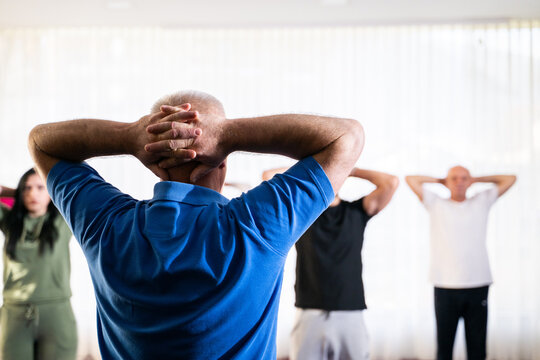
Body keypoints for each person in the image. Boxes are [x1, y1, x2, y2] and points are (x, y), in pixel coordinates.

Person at [28, 90, 365, 359]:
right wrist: (229, 133)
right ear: (222, 162)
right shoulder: (258, 225)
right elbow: (346, 138)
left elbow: (42, 143)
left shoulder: (105, 224)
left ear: (153, 163)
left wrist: (131, 136)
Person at [264, 167, 398, 359]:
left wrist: (349, 169)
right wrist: (318, 165)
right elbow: (268, 176)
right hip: (309, 312)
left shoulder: (357, 211)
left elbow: (391, 182)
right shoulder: (303, 214)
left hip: (350, 312)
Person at [405, 166, 516, 360]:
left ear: (470, 180)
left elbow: (510, 178)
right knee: (444, 348)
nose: (459, 182)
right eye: (454, 178)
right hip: (444, 286)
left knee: (477, 349)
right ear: (447, 181)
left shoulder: (482, 200)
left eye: (464, 178)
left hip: (477, 284)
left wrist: (476, 178)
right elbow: (411, 179)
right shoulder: (435, 203)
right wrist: (441, 181)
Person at [0, 169, 77, 360]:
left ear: (51, 192)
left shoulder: (62, 219)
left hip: (57, 313)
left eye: (40, 188)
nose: (32, 193)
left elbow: (75, 187)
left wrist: (45, 187)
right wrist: (14, 193)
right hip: (14, 314)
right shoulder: (10, 222)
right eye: (26, 188)